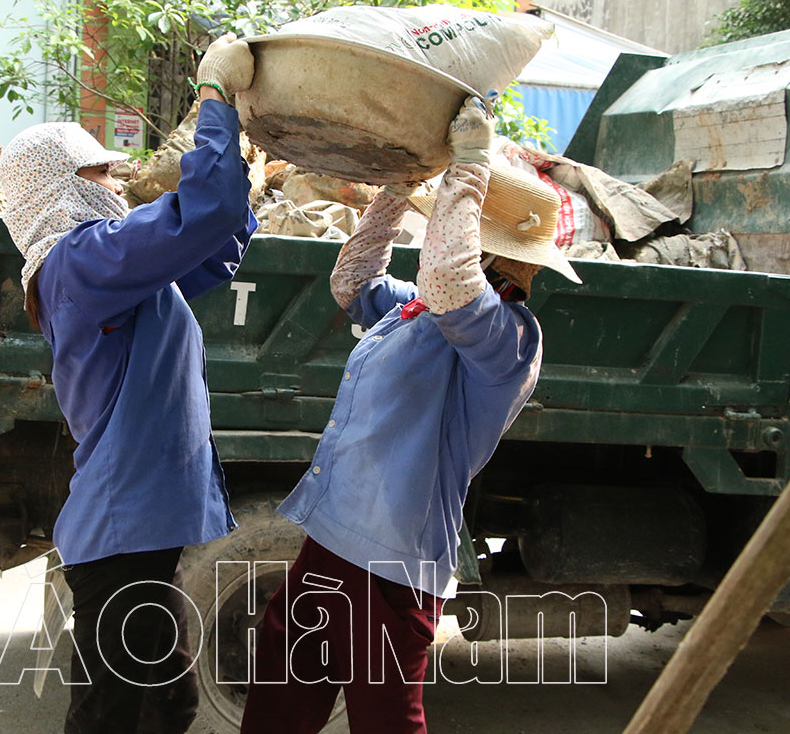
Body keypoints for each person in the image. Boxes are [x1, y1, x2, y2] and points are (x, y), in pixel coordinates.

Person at [239, 97, 582, 734]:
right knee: (280, 703)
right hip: (334, 540)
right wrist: (399, 188)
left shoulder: (508, 337)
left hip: (392, 560)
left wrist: (471, 169)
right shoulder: (419, 308)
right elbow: (353, 280)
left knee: (386, 722)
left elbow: (451, 281)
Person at [0, 33, 257, 734]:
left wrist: (243, 171)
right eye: (103, 176)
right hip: (121, 534)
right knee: (111, 714)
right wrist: (213, 103)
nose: (116, 187)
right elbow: (198, 214)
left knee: (166, 704)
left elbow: (210, 248)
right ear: (62, 186)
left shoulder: (103, 266)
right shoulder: (81, 262)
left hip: (136, 530)